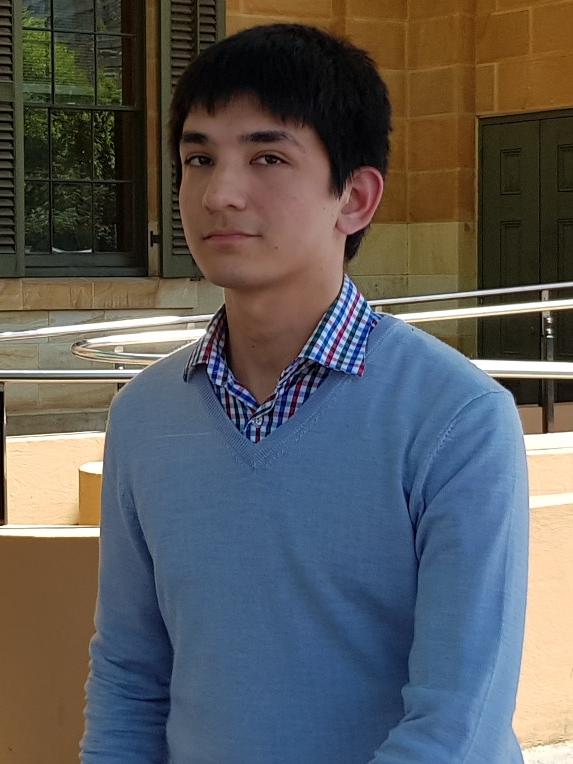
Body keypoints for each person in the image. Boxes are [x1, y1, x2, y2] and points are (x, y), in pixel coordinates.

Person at [81, 23, 529, 763]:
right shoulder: (144, 416)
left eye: (267, 156)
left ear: (354, 197)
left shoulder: (454, 417)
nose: (220, 192)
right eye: (198, 158)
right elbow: (131, 676)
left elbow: (459, 719)